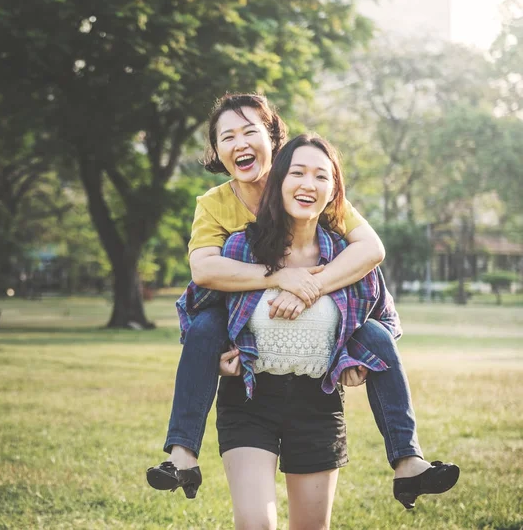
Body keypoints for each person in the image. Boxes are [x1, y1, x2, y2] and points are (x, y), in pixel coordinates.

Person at [147, 95, 458, 508]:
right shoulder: (218, 206)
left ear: (275, 139)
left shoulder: (310, 182)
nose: (239, 142)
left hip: (315, 367)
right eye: (227, 136)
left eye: (250, 131)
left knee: (378, 338)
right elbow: (204, 271)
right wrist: (281, 278)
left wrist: (312, 287)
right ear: (217, 151)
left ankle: (407, 460)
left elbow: (370, 250)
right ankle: (183, 453)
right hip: (242, 335)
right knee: (205, 329)